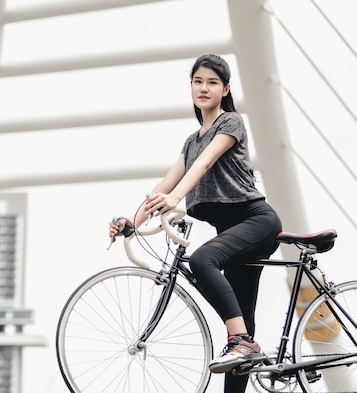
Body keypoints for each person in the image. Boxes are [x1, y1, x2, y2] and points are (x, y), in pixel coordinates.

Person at [108, 54, 283, 393]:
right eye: (198, 81)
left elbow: (202, 166)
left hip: (256, 220)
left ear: (226, 89)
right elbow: (165, 184)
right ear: (191, 87)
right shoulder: (190, 141)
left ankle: (242, 341)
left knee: (204, 261)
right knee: (241, 327)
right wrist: (133, 220)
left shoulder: (230, 122)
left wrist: (176, 199)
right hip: (232, 234)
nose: (204, 88)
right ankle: (242, 345)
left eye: (212, 82)